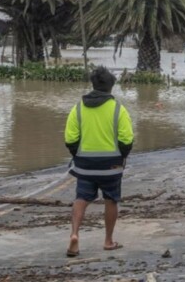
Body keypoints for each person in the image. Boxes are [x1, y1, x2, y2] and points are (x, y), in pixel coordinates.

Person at [64, 66, 134, 257]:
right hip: (111, 166)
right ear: (111, 86)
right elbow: (126, 139)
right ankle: (108, 241)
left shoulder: (77, 108)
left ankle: (74, 235)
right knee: (111, 200)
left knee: (81, 198)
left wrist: (78, 156)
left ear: (92, 84)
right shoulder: (118, 109)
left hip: (85, 166)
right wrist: (121, 157)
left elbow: (70, 139)